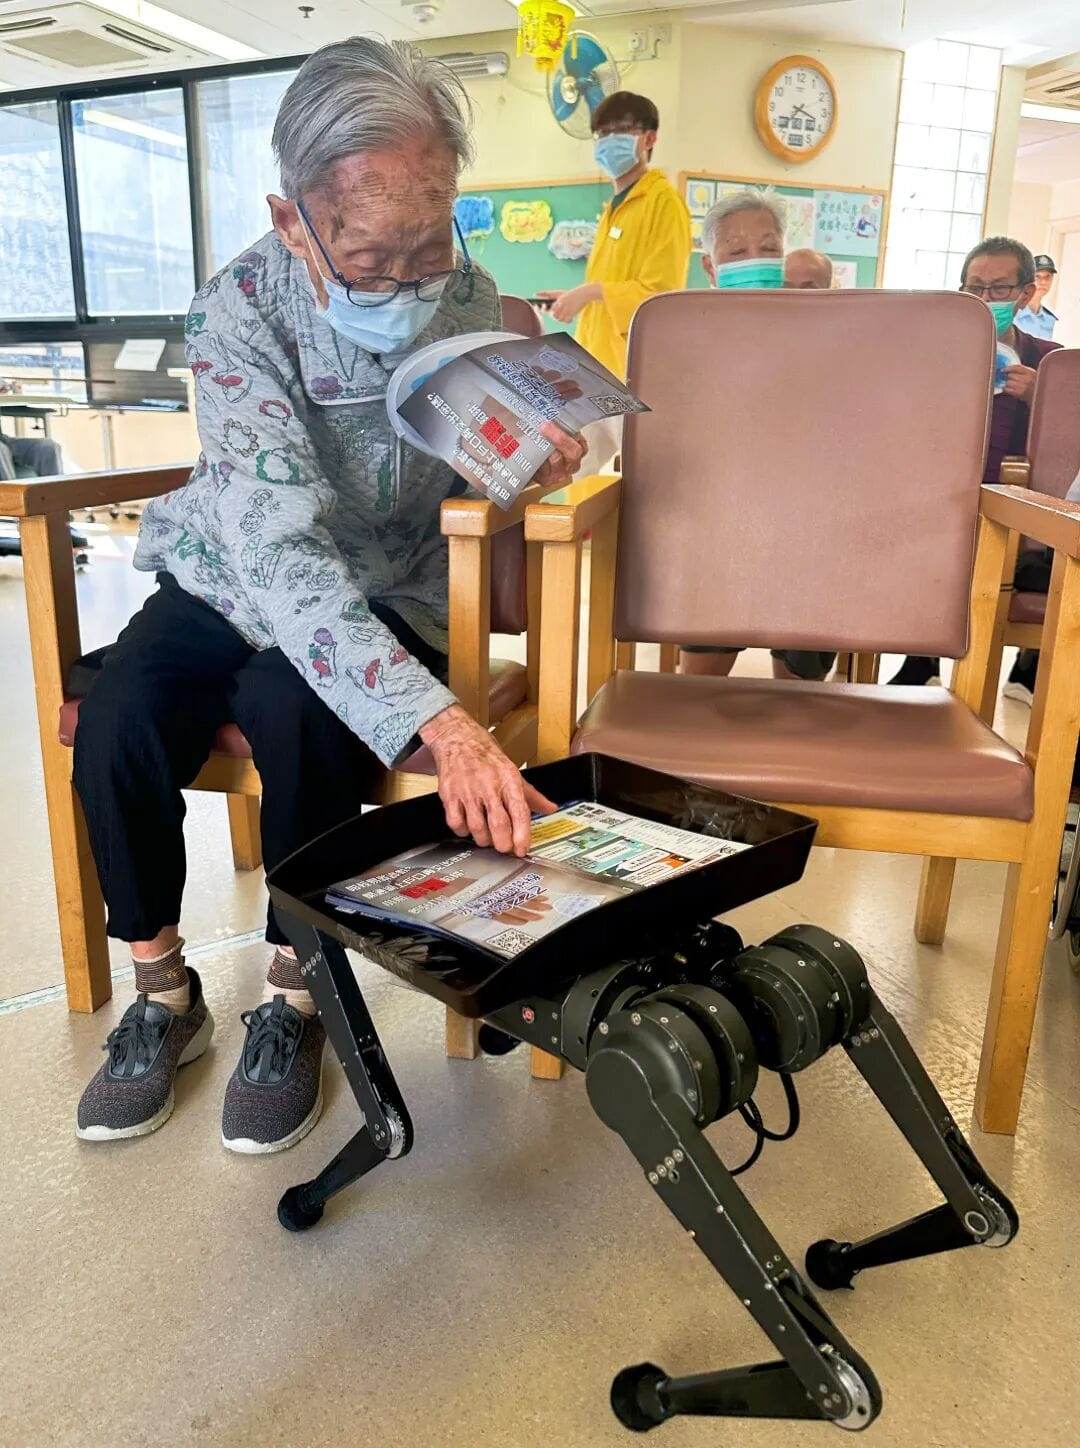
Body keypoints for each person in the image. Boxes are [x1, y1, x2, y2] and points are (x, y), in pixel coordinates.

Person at [72, 38, 585, 1154]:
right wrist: (443, 725)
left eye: (429, 244)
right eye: (369, 256)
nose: (409, 283)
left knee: (296, 709)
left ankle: (296, 992)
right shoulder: (235, 312)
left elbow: (466, 463)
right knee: (119, 717)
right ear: (293, 218)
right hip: (235, 567)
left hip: (390, 577)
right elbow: (277, 548)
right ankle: (162, 993)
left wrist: (529, 465)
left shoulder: (469, 294)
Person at [889, 236, 1060, 689]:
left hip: (1022, 511)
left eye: (999, 288)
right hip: (945, 503)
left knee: (1035, 564)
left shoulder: (1051, 361)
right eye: (974, 287)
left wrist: (1041, 397)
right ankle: (921, 660)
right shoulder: (933, 354)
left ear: (1025, 293)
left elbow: (1069, 448)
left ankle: (1027, 664)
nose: (985, 298)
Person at [679, 190, 836, 683]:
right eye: (737, 251)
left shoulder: (834, 339)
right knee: (697, 691)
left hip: (810, 527)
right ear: (710, 266)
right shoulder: (682, 334)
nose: (755, 261)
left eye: (767, 249)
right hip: (718, 527)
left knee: (797, 698)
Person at [535, 91, 689, 472]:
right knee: (579, 476)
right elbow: (615, 284)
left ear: (649, 138)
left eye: (621, 131)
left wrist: (590, 292)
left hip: (632, 373)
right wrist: (579, 297)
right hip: (593, 368)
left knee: (641, 476)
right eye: (602, 133)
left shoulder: (663, 203)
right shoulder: (614, 208)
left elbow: (661, 299)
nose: (608, 142)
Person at [1014, 253, 1059, 340]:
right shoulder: (1012, 315)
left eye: (1047, 277)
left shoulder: (1049, 320)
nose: (1043, 282)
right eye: (1037, 276)